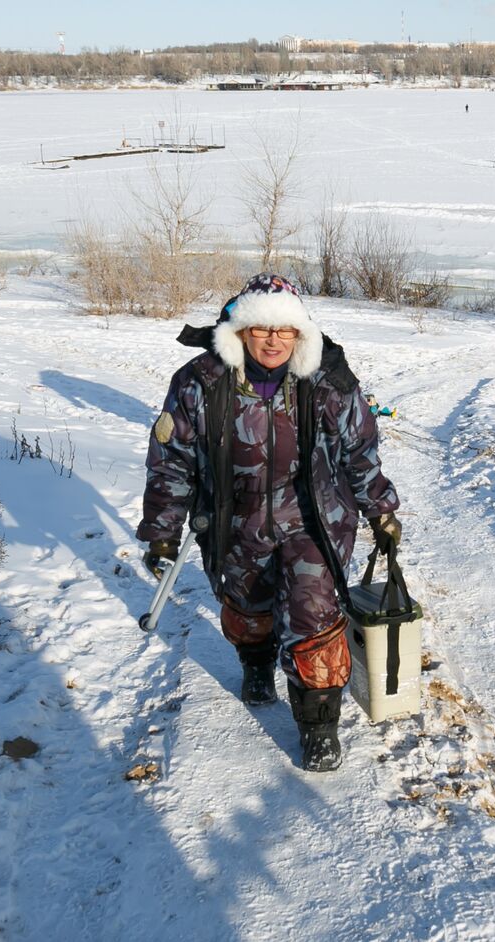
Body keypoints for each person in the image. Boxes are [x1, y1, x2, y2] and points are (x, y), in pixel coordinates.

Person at [137, 272, 401, 774]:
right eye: (262, 329)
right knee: (248, 606)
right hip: (234, 519)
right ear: (241, 331)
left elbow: (360, 450)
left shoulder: (328, 380)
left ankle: (319, 727)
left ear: (300, 333)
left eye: (286, 330)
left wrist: (381, 510)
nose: (274, 340)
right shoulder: (200, 382)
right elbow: (170, 459)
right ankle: (255, 664)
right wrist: (162, 531)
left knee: (315, 618)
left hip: (314, 521)